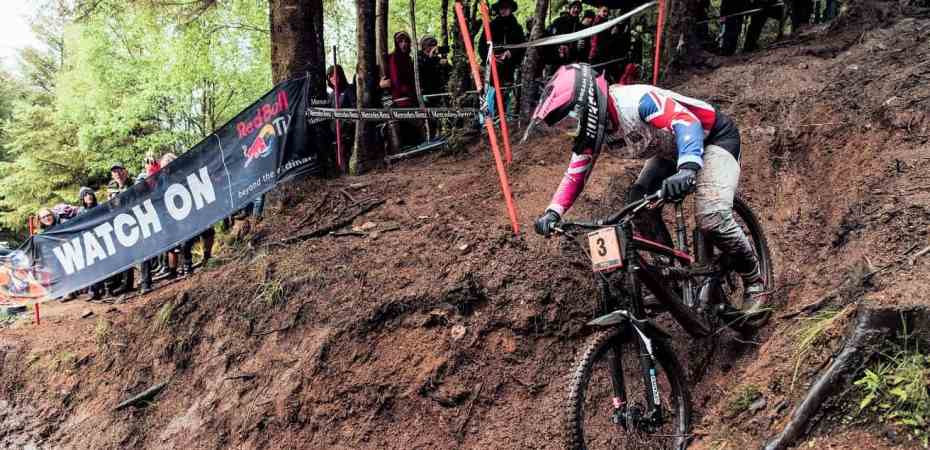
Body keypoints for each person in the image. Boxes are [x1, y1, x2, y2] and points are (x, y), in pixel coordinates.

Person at [526, 64, 769, 323]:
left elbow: (687, 122)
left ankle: (755, 280)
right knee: (638, 206)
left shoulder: (637, 102)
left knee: (711, 216)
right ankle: (674, 272)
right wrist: (553, 212)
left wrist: (687, 168)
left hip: (713, 138)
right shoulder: (596, 130)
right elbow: (575, 175)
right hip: (670, 152)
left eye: (571, 121)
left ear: (588, 105)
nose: (571, 129)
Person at [478, 0, 526, 112]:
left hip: (509, 67)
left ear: (510, 9)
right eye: (501, 8)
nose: (503, 10)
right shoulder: (491, 26)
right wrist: (491, 57)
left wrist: (509, 53)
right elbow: (481, 46)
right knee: (489, 93)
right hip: (491, 67)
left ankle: (504, 117)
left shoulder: (517, 27)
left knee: (505, 94)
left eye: (506, 7)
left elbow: (522, 46)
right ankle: (488, 118)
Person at [106, 163, 134, 295]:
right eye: (114, 172)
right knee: (124, 252)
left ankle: (144, 282)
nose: (117, 174)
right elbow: (110, 204)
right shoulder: (111, 185)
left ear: (125, 171)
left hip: (133, 219)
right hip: (118, 222)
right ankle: (125, 283)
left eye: (119, 171)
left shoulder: (132, 182)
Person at [76, 187, 105, 299]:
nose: (88, 196)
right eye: (85, 195)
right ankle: (94, 290)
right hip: (88, 240)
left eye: (90, 194)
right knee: (92, 266)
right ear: (82, 198)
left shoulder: (100, 206)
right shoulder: (81, 211)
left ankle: (105, 288)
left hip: (101, 237)